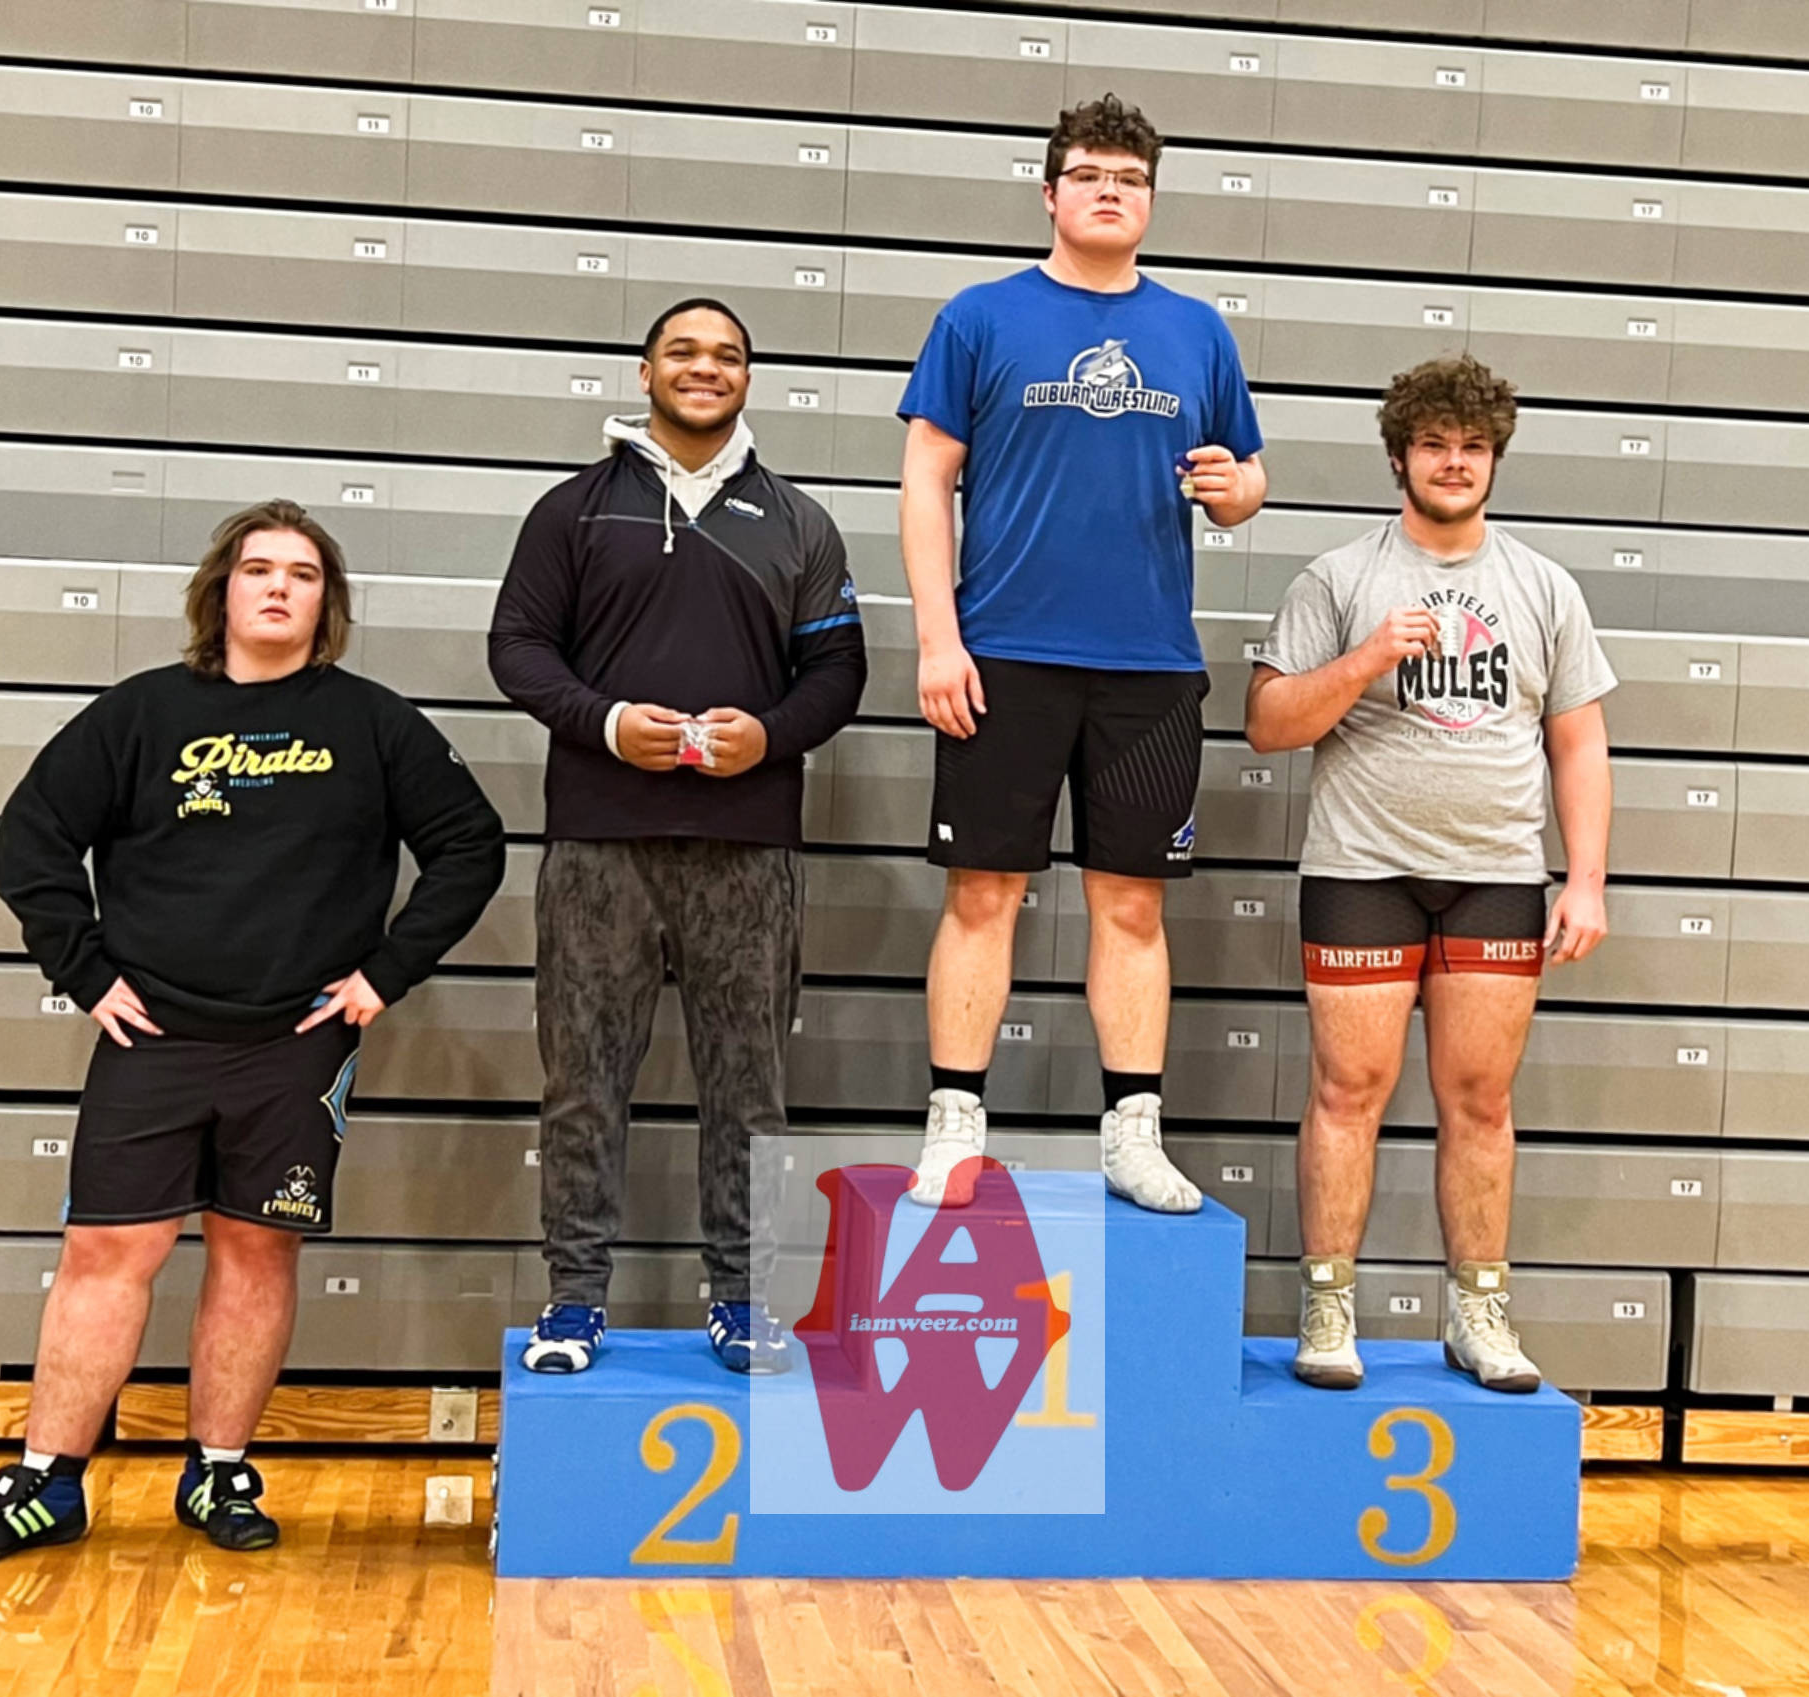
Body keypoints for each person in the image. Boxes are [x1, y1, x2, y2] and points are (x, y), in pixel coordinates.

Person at [0, 500, 506, 1561]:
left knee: (255, 1248)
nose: (279, 586)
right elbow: (33, 836)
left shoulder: (374, 724)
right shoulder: (142, 714)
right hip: (152, 1036)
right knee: (107, 1248)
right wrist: (83, 970)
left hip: (296, 1041)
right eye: (258, 569)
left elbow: (470, 845)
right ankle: (48, 1479)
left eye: (303, 573)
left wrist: (385, 974)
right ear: (221, 591)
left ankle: (220, 1469)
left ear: (326, 603)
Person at [895, 94, 1268, 1212]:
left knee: (1134, 906)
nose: (1112, 192)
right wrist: (937, 638)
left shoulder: (1197, 331)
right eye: (1092, 175)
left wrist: (1235, 491)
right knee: (983, 894)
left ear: (1150, 200)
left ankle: (1133, 1133)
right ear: (1050, 193)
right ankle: (955, 1124)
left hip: (1148, 666)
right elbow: (925, 480)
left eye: (1131, 179)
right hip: (1003, 654)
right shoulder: (980, 317)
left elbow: (1246, 480)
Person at [490, 298, 865, 1374]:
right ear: (645, 371)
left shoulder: (798, 521)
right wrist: (607, 723)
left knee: (749, 1090)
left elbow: (837, 670)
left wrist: (771, 737)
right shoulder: (572, 510)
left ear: (748, 379)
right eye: (684, 352)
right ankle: (574, 1300)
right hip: (597, 844)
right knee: (581, 1081)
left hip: (749, 849)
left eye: (728, 356)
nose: (706, 368)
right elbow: (517, 647)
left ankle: (742, 1296)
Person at [1245, 355, 1615, 1393]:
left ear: (1493, 459)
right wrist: (1364, 660)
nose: (1453, 462)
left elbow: (1579, 742)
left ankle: (1479, 1309)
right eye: (1434, 444)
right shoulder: (1336, 579)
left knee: (1481, 1100)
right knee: (1345, 1091)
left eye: (1472, 446)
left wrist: (1584, 878)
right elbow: (1267, 724)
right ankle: (1328, 1302)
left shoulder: (1543, 587)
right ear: (1398, 456)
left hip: (1495, 873)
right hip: (1362, 868)